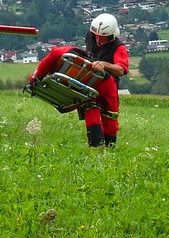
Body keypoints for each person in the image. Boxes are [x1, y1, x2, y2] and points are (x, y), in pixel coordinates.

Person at [30, 13, 129, 147]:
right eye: (96, 35)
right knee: (90, 107)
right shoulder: (91, 36)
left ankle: (110, 147)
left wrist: (104, 65)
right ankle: (96, 149)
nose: (99, 40)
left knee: (110, 116)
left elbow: (121, 69)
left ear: (112, 35)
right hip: (89, 76)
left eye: (103, 37)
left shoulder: (118, 47)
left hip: (107, 81)